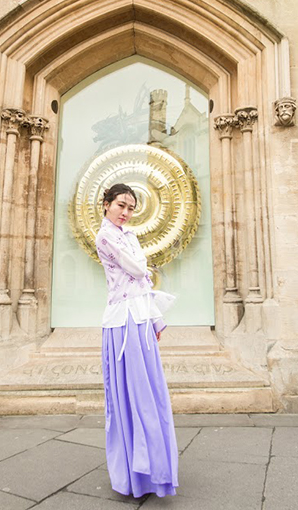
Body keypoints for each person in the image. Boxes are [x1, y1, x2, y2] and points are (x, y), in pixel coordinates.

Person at [96, 183, 178, 498]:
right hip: (123, 322)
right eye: (121, 205)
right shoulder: (106, 236)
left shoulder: (128, 236)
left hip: (139, 319)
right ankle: (134, 474)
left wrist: (156, 318)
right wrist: (141, 268)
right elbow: (138, 268)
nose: (126, 213)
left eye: (131, 208)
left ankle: (153, 473)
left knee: (150, 395)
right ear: (106, 204)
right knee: (132, 398)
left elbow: (143, 282)